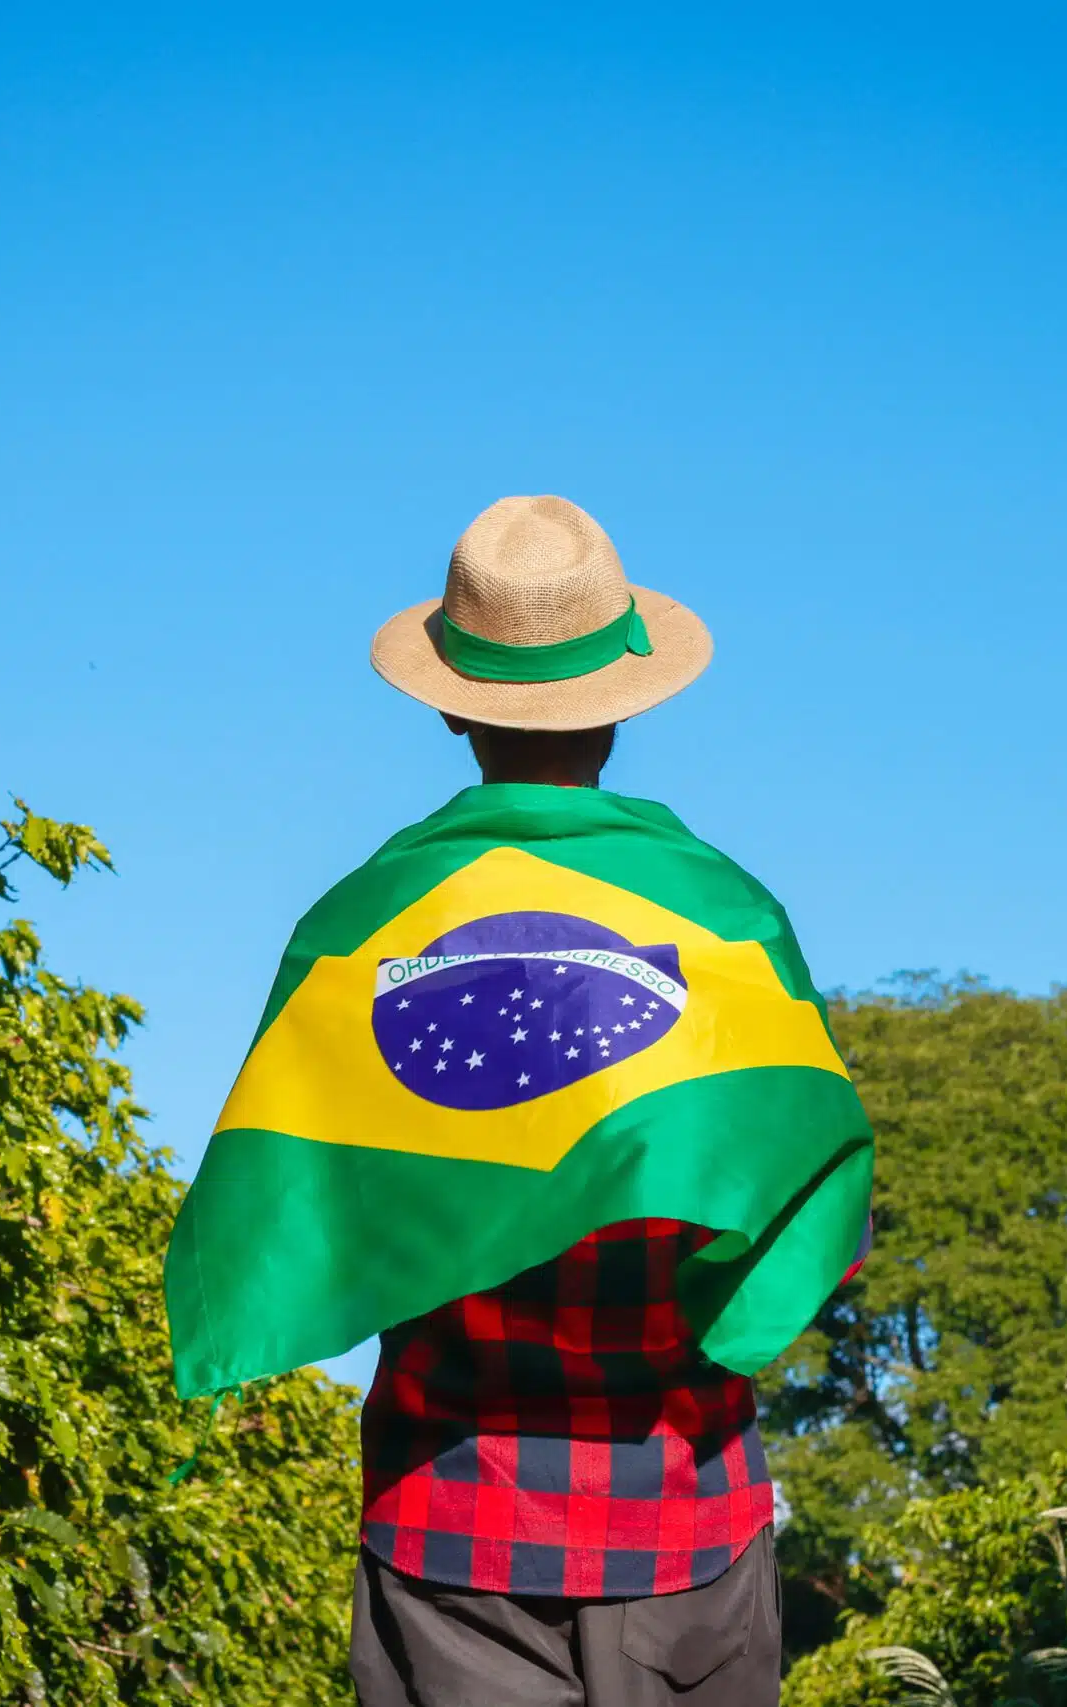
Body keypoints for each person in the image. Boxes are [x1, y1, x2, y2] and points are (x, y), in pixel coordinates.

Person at [339, 496, 856, 1707]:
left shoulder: (363, 934)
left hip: (447, 1528)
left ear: (452, 705)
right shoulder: (725, 926)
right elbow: (819, 1224)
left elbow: (318, 1208)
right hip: (681, 1519)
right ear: (624, 706)